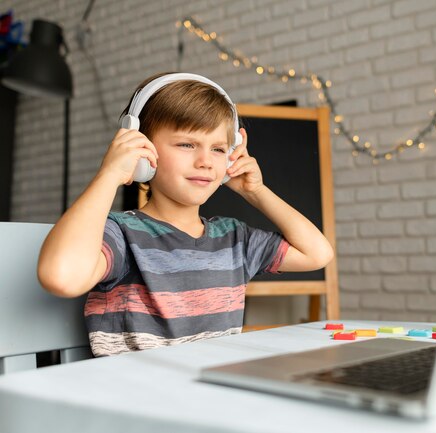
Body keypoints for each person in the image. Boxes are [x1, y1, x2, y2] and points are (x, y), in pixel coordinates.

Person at [37, 72, 334, 357]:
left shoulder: (234, 239)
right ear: (141, 148)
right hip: (136, 397)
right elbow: (61, 277)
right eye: (186, 144)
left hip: (207, 394)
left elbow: (317, 254)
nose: (205, 161)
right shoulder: (123, 234)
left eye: (218, 149)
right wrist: (109, 174)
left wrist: (256, 192)